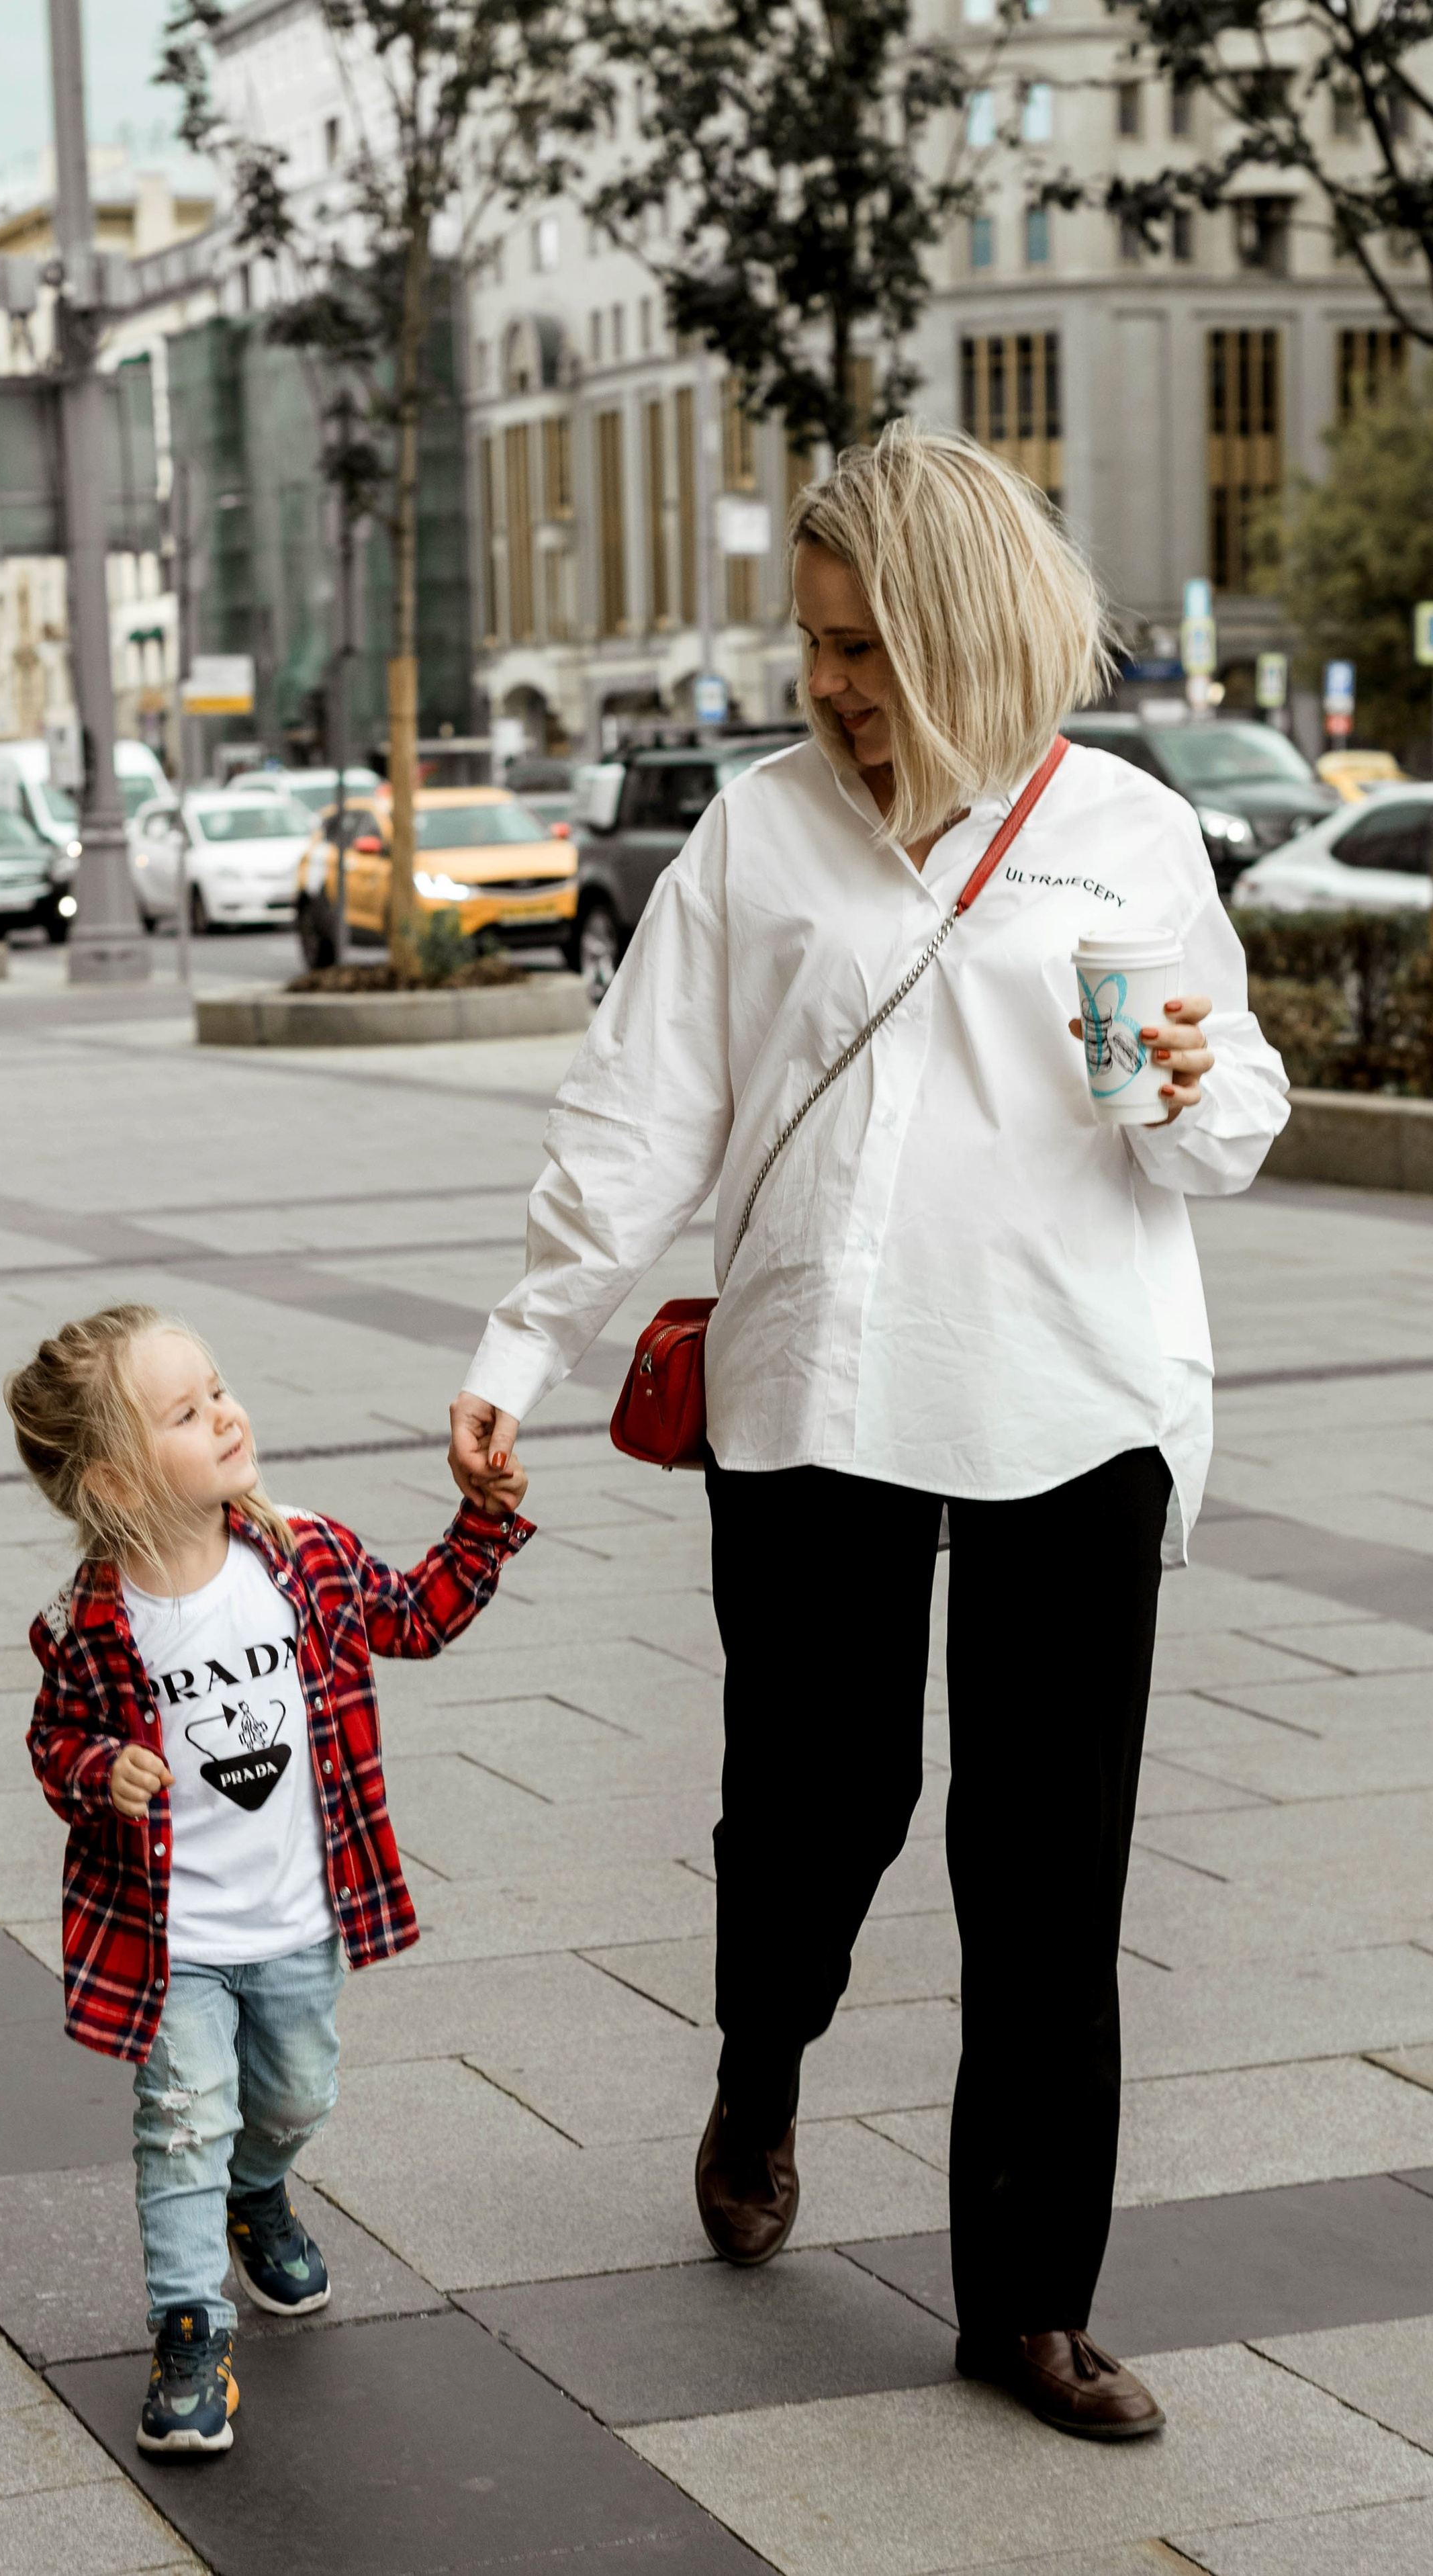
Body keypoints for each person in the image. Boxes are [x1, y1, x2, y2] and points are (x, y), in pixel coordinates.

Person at [448, 424, 1288, 2441]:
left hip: (1074, 1398)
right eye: (819, 644)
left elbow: (1231, 1119)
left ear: (975, 636)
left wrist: (1184, 1077)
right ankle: (762, 2060)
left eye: (870, 650)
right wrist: (517, 1347)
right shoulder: (757, 833)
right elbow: (639, 1111)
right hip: (821, 1390)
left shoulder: (1130, 832)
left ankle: (1027, 2298)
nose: (833, 686)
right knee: (821, 1805)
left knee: (1046, 1867)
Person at [7, 1302, 529, 2456]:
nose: (225, 1414)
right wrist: (103, 1771)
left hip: (300, 1921)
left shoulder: (302, 1555)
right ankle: (191, 2333)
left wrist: (483, 1526)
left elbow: (415, 1617)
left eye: (220, 1390)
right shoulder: (92, 1623)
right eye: (185, 1413)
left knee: (295, 2099)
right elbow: (53, 1742)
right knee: (181, 2120)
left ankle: (260, 2191)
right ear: (116, 1480)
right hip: (172, 1941)